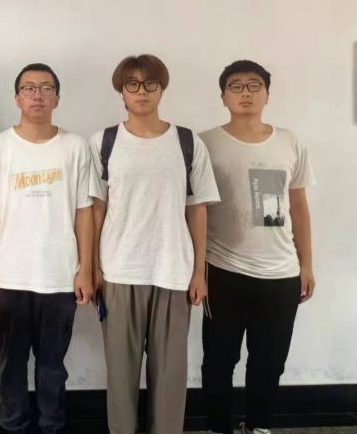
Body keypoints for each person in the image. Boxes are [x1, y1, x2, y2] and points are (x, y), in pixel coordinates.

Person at [90, 54, 220, 434]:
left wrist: (199, 273)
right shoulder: (104, 142)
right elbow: (95, 209)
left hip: (173, 271)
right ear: (121, 92)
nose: (141, 91)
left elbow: (197, 209)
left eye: (150, 84)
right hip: (119, 271)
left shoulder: (187, 142)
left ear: (162, 89)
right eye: (132, 84)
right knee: (120, 376)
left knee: (170, 377)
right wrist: (92, 268)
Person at [0, 62, 94, 434]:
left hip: (60, 275)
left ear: (57, 97)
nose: (37, 95)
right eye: (29, 88)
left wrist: (85, 269)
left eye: (45, 88)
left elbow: (84, 212)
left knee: (52, 365)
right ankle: (12, 426)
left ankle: (51, 425)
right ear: (17, 98)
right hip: (11, 275)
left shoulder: (75, 147)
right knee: (11, 363)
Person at [200, 60, 315, 434]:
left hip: (281, 272)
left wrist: (306, 264)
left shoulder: (289, 142)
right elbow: (194, 210)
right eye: (236, 86)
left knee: (269, 360)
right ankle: (218, 426)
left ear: (267, 94)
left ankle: (259, 426)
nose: (245, 93)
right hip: (222, 269)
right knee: (219, 360)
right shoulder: (204, 144)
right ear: (223, 97)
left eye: (254, 85)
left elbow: (297, 206)